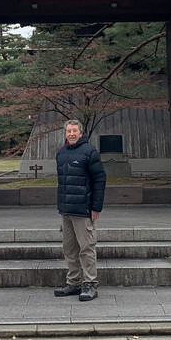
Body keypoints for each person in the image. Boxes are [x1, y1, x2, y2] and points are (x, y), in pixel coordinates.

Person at [54, 118, 106, 301]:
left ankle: (90, 284)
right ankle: (74, 282)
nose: (72, 134)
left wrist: (96, 207)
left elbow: (99, 180)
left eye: (75, 131)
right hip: (66, 210)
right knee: (69, 249)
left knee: (86, 248)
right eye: (69, 131)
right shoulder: (61, 153)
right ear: (65, 133)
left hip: (83, 209)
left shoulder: (89, 152)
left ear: (81, 133)